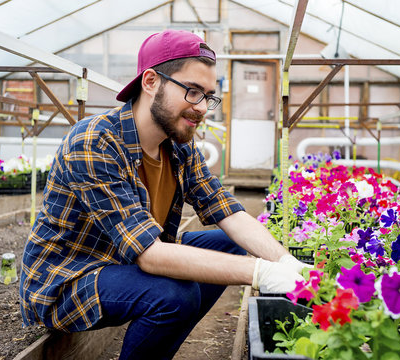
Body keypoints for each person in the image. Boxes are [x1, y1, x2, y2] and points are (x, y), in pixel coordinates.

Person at [19, 29, 309, 360]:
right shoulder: (95, 142)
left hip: (122, 261)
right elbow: (151, 256)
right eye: (193, 92)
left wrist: (285, 262)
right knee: (176, 295)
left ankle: (160, 340)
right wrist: (261, 273)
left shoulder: (179, 148)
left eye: (209, 96)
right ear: (151, 81)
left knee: (229, 243)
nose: (203, 108)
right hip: (70, 279)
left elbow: (227, 210)